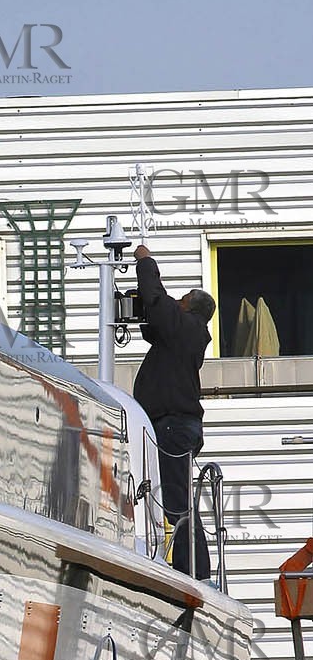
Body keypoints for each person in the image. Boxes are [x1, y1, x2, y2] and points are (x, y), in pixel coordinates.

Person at [132, 244, 215, 580]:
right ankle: (191, 566)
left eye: (184, 297)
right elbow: (160, 308)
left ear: (191, 307)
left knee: (178, 498)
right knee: (175, 496)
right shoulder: (184, 333)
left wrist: (145, 261)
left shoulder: (188, 329)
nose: (178, 299)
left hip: (173, 426)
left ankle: (192, 569)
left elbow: (157, 302)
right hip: (172, 425)